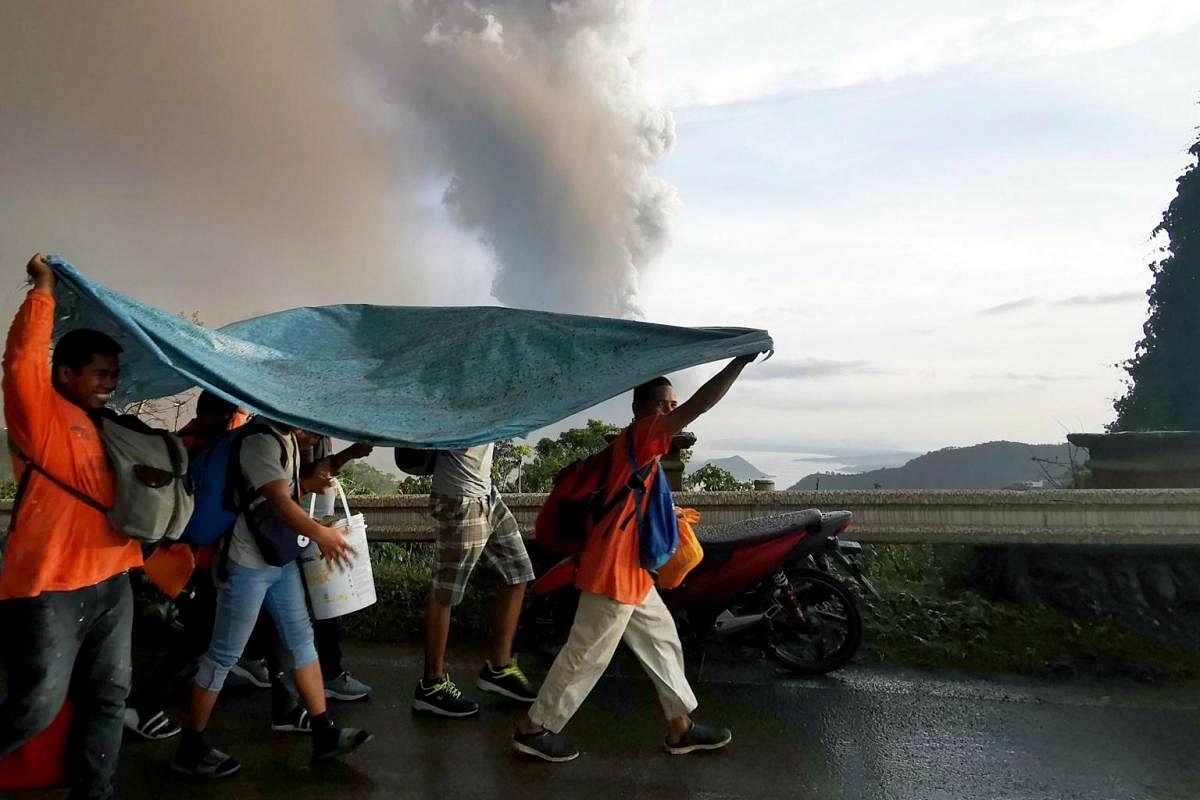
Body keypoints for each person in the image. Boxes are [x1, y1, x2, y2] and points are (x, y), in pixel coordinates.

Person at [513, 356, 757, 763]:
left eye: (672, 404)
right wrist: (739, 363)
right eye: (666, 404)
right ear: (644, 409)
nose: (673, 411)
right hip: (613, 571)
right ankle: (534, 728)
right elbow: (699, 407)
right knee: (587, 653)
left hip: (633, 571)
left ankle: (681, 728)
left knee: (661, 642)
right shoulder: (645, 435)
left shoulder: (637, 447)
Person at [0, 253, 143, 800]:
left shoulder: (103, 424)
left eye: (114, 374)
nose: (111, 383)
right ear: (66, 373)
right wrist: (43, 291)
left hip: (114, 578)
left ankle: (94, 793)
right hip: (53, 585)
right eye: (100, 374)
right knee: (36, 703)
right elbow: (21, 361)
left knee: (110, 695)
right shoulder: (39, 413)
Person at [171, 416, 371, 777]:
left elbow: (296, 488)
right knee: (223, 655)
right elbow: (279, 500)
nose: (315, 432)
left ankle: (324, 731)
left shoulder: (286, 438)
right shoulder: (259, 442)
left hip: (278, 560)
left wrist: (348, 456)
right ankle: (191, 745)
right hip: (248, 564)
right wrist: (320, 535)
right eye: (310, 422)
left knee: (302, 642)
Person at [124, 390, 247, 741]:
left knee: (201, 632)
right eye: (229, 415)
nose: (230, 422)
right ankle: (146, 705)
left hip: (171, 556)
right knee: (199, 633)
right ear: (221, 415)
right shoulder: (202, 447)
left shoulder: (181, 442)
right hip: (188, 558)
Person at [414, 443, 538, 717]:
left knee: (518, 572)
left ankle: (498, 667)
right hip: (460, 498)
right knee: (445, 592)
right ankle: (431, 685)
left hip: (487, 493)